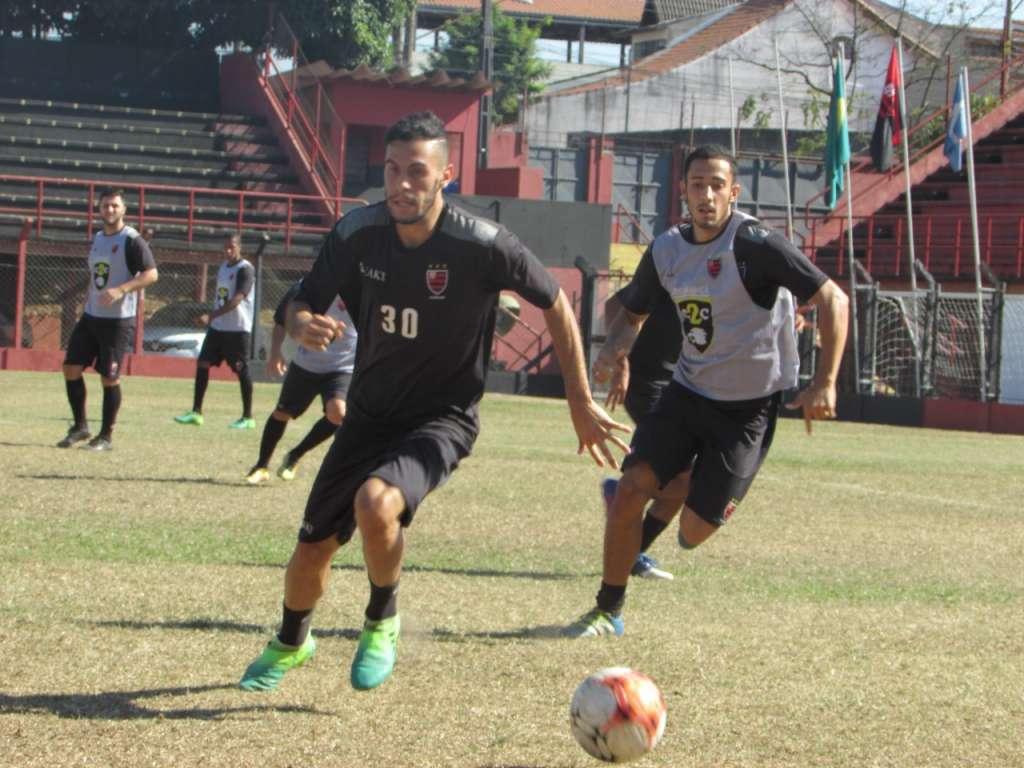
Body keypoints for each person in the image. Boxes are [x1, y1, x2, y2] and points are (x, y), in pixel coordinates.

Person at [239, 110, 629, 692]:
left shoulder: (482, 244)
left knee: (377, 505)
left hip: (441, 419)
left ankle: (382, 618)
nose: (400, 184)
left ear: (445, 176)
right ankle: (293, 640)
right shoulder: (356, 234)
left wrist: (578, 398)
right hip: (369, 413)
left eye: (416, 172)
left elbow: (556, 303)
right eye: (392, 170)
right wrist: (298, 324)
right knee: (310, 552)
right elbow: (301, 299)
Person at [566, 144, 849, 638]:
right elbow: (631, 312)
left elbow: (833, 297)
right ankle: (607, 609)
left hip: (748, 410)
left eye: (717, 185)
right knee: (633, 487)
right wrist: (615, 350)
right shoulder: (667, 250)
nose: (707, 194)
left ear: (733, 192)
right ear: (683, 191)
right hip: (687, 392)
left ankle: (692, 491)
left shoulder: (756, 244)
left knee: (693, 533)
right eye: (697, 184)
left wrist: (824, 382)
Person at [58, 187, 158, 451]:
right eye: (105, 206)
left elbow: (151, 274)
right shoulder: (99, 237)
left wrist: (122, 289)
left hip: (117, 321)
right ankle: (80, 427)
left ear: (124, 209)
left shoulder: (132, 239)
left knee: (109, 377)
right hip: (92, 316)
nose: (110, 210)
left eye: (115, 205)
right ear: (99, 209)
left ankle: (106, 436)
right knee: (71, 368)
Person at [600, 288, 685, 581]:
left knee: (686, 484)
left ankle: (633, 551)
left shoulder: (718, 270)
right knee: (683, 480)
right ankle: (624, 499)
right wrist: (621, 362)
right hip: (646, 385)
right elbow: (615, 305)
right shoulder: (672, 264)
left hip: (677, 387)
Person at [244, 282, 357, 485]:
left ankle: (295, 455)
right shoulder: (309, 286)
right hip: (307, 365)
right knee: (282, 413)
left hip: (343, 368)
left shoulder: (368, 284)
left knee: (338, 413)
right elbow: (280, 320)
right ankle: (261, 465)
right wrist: (275, 354)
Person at [173, 233, 256, 429]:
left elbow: (237, 299)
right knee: (203, 363)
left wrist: (211, 315)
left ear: (239, 247)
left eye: (232, 247)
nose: (228, 251)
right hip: (219, 328)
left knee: (241, 369)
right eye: (225, 247)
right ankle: (196, 412)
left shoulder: (245, 269)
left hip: (237, 329)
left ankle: (247, 417)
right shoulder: (223, 267)